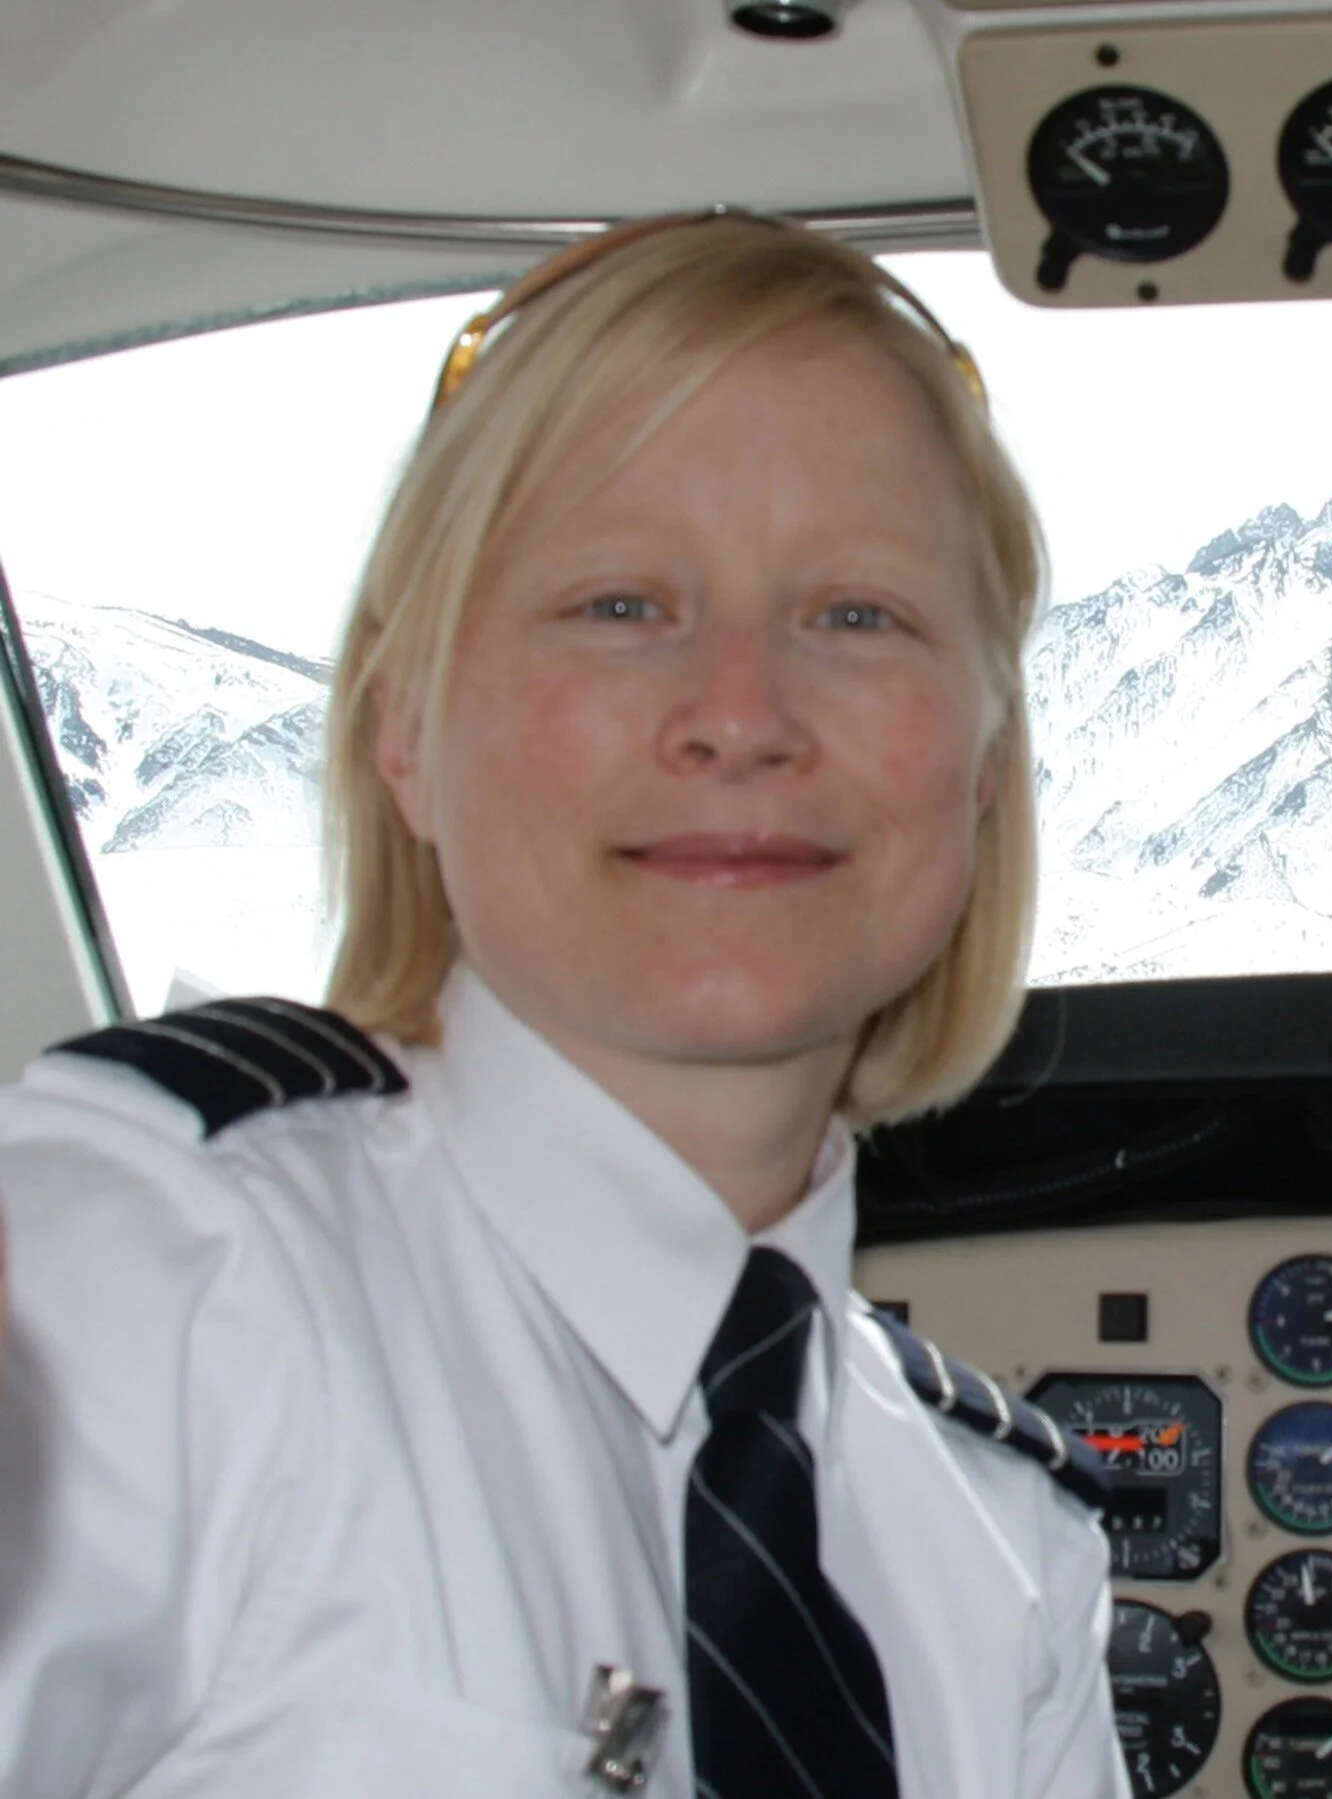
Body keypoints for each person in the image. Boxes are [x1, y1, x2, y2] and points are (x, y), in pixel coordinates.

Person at [0, 212, 1126, 1799]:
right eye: (618, 604)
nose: (739, 713)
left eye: (857, 613)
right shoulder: (148, 1275)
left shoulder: (1006, 1549)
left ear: (986, 762)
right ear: (403, 726)